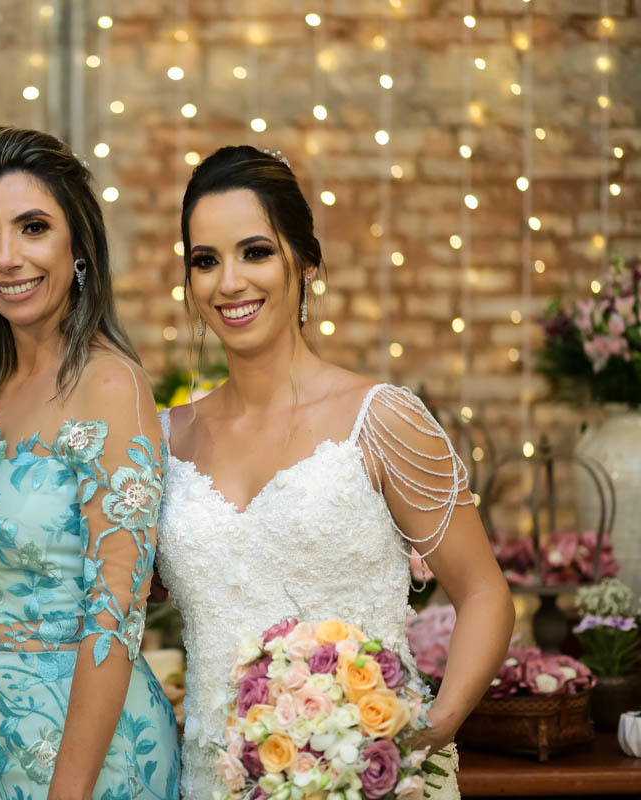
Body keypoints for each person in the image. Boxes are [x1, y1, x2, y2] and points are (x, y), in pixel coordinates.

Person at [155, 145, 515, 798]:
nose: (228, 282)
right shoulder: (165, 440)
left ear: (306, 263)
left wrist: (431, 728)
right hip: (214, 782)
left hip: (370, 776)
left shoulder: (380, 421)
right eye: (205, 261)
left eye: (255, 252)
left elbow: (485, 594)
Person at [0, 127, 180, 800]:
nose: (7, 258)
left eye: (32, 227)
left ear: (79, 245)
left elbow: (115, 618)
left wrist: (68, 792)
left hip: (89, 760)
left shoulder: (110, 388)